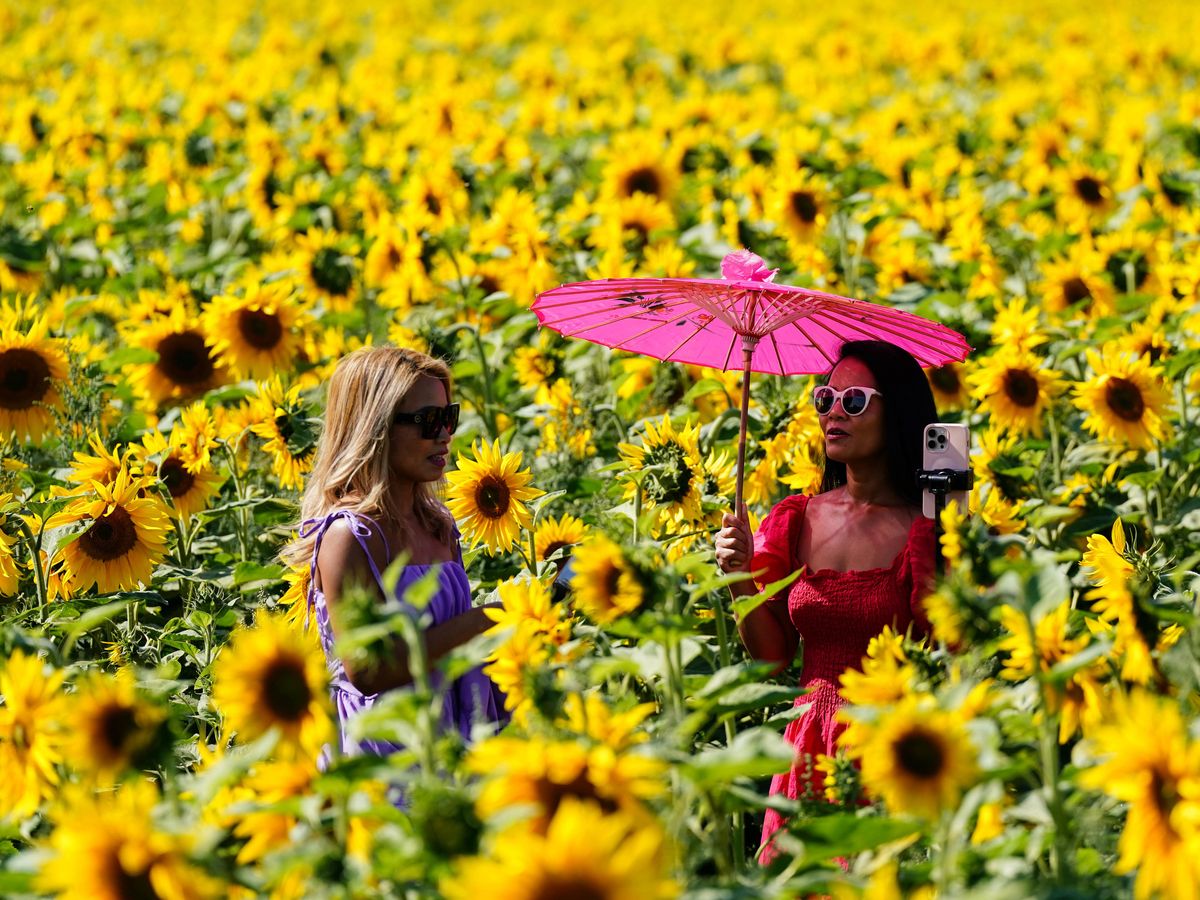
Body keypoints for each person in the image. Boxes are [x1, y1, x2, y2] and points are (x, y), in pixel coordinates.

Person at [714, 339, 938, 863]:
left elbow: (949, 645)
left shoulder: (925, 531)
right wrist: (739, 577)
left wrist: (954, 535)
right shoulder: (797, 519)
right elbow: (772, 656)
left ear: (897, 412)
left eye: (854, 401)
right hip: (805, 747)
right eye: (824, 399)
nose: (833, 413)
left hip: (892, 751)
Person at [285, 346, 506, 759]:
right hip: (383, 757)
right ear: (376, 427)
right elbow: (367, 669)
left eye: (448, 417)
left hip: (450, 740)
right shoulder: (350, 537)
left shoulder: (439, 526)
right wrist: (488, 618)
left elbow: (453, 649)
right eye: (428, 421)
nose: (444, 434)